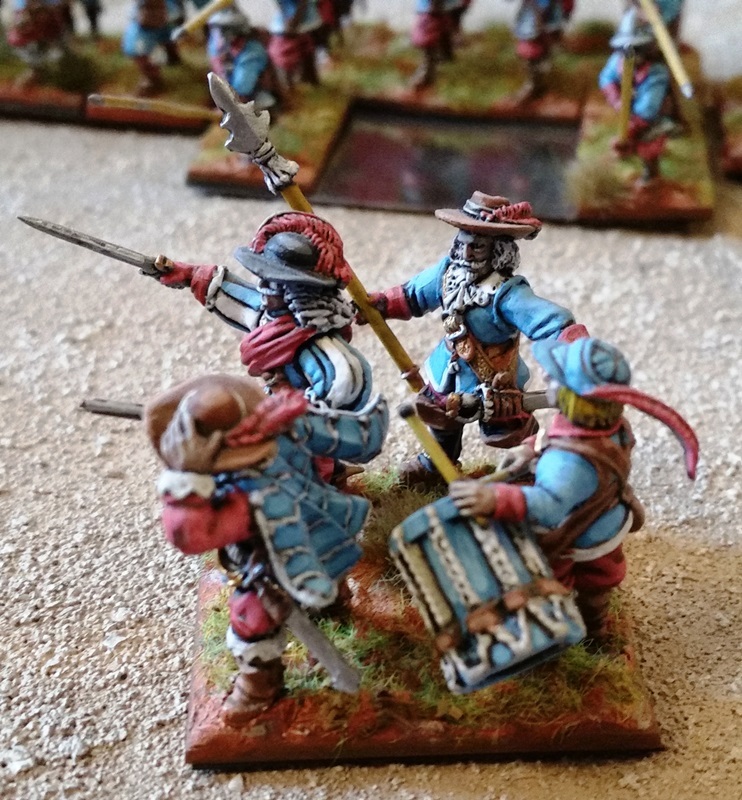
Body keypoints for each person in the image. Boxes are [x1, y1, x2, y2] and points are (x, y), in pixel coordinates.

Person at [145, 374, 388, 721]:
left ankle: (263, 680)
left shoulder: (275, 443)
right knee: (275, 604)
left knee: (257, 615)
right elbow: (189, 535)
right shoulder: (268, 445)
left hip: (307, 538)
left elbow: (189, 535)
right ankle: (269, 672)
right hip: (295, 544)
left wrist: (188, 477)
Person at [449, 336, 698, 644]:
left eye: (557, 378)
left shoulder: (571, 465)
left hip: (582, 537)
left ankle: (585, 635)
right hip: (600, 514)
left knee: (562, 583)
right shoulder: (606, 425)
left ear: (578, 398)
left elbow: (548, 508)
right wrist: (530, 448)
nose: (547, 377)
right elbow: (558, 436)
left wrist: (494, 498)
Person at [363, 191, 583, 488]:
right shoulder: (446, 273)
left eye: (477, 247)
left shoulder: (507, 293)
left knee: (508, 430)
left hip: (494, 379)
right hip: (447, 368)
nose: (465, 253)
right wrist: (380, 304)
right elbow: (412, 295)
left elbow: (552, 322)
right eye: (461, 244)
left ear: (498, 252)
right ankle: (436, 466)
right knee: (441, 419)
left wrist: (578, 355)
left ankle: (531, 466)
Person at [153, 211, 373, 416]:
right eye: (266, 279)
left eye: (276, 283)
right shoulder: (270, 316)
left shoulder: (319, 346)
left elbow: (346, 385)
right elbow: (234, 297)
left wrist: (292, 412)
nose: (265, 288)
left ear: (299, 292)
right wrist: (189, 275)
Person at [599, 7, 673, 184]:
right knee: (628, 146)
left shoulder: (656, 73)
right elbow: (606, 78)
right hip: (628, 112)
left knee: (648, 147)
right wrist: (617, 100)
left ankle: (650, 172)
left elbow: (649, 107)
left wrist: (631, 126)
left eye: (636, 49)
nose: (629, 55)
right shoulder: (617, 61)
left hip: (649, 120)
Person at [207, 6, 281, 109]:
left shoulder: (252, 53)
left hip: (252, 97)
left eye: (222, 30)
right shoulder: (218, 47)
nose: (217, 35)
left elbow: (243, 88)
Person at [509, 0, 573, 102]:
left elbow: (566, 5)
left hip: (547, 18)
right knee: (529, 53)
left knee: (542, 52)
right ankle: (534, 85)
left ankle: (537, 86)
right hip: (532, 20)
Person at [121, 0, 182, 96]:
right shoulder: (137, 32)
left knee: (167, 43)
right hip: (144, 30)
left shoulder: (168, 10)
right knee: (142, 55)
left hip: (161, 26)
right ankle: (150, 79)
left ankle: (155, 76)